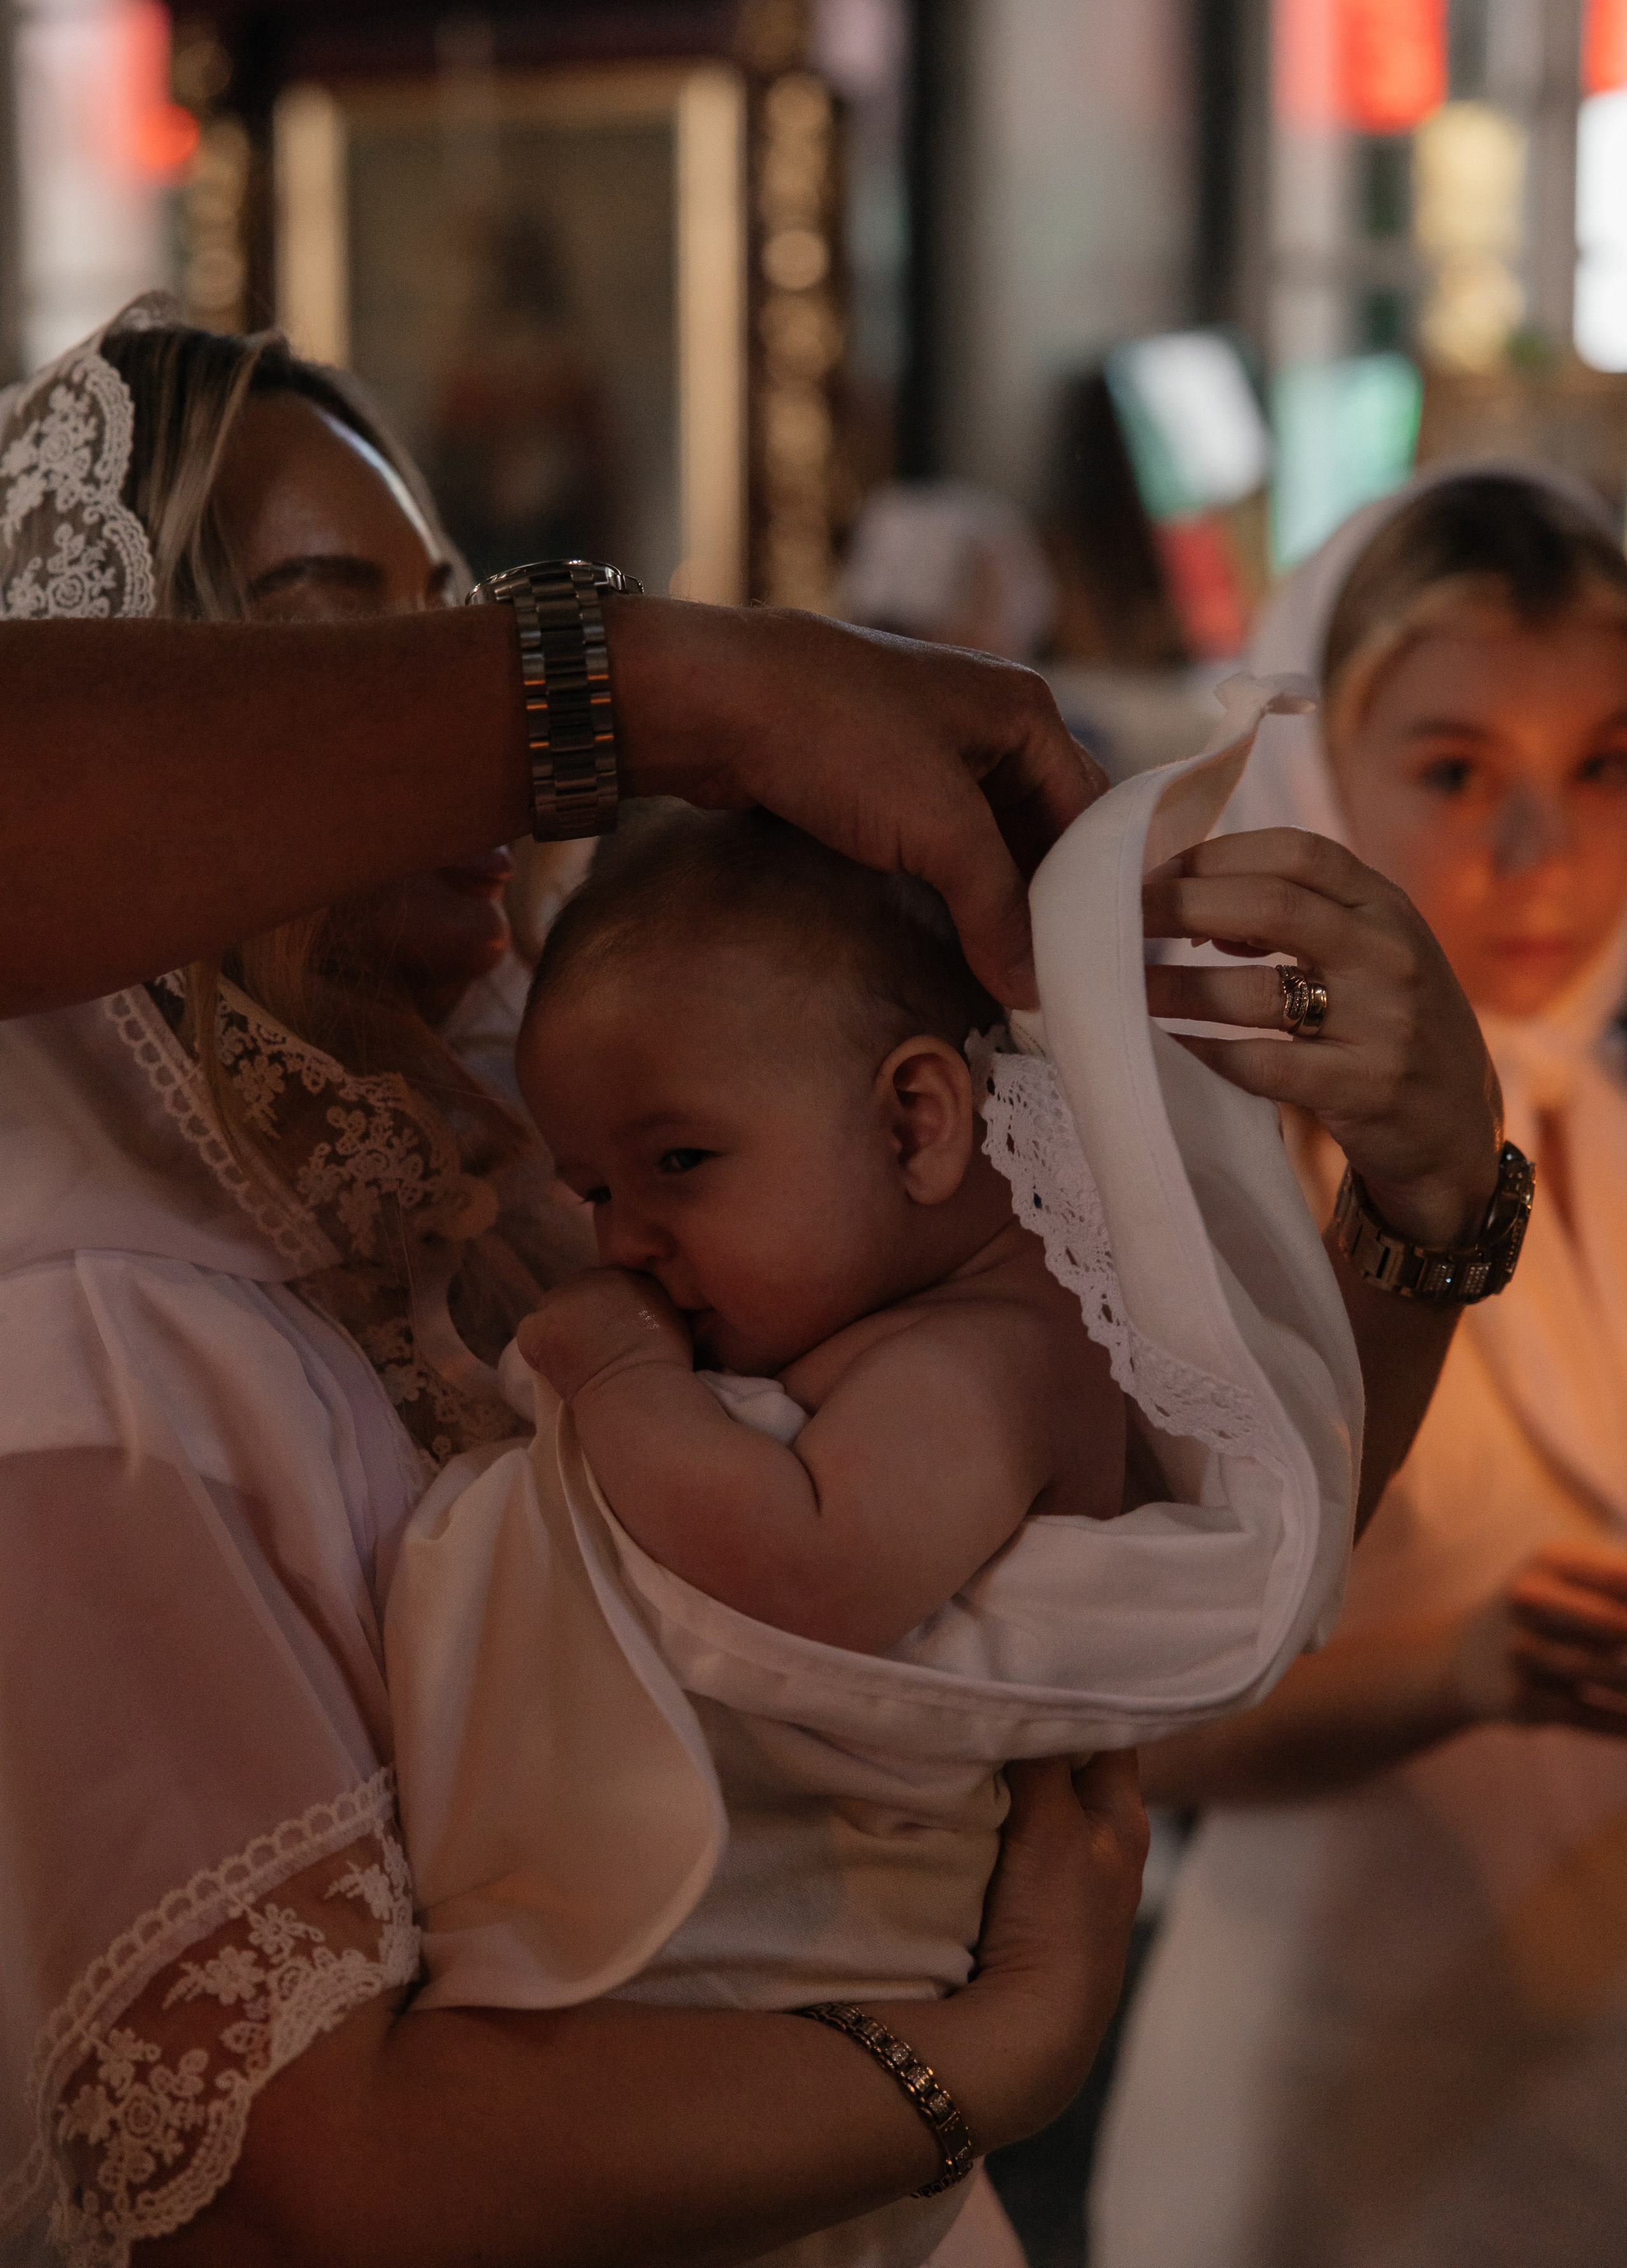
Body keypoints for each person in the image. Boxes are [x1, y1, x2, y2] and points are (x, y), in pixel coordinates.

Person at [0, 292, 1494, 2268]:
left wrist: (1431, 1201)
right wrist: (982, 2058)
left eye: (454, 604)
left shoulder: (518, 1175)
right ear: (164, 724)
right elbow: (316, 2169)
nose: (475, 703)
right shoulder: (95, 1331)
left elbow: (1119, 1604)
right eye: (342, 620)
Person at [383, 707, 1369, 2267]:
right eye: (590, 1188)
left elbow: (814, 1567)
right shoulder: (903, 1322)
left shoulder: (989, 1349)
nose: (623, 1238)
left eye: (678, 1163)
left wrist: (622, 1379)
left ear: (918, 1119)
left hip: (818, 1940)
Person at [1092, 466, 1627, 2268]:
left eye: (1607, 765)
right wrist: (1461, 1664)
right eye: (1460, 773)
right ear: (1322, 787)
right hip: (1330, 2079)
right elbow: (1126, 1728)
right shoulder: (1243, 1186)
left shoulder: (1609, 1143)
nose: (1543, 859)